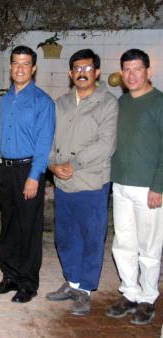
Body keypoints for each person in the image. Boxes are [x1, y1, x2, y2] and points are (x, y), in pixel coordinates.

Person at [46, 49, 118, 315]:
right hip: (63, 185)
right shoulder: (60, 103)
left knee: (91, 238)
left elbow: (105, 144)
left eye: (88, 68)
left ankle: (85, 291)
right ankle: (72, 282)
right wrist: (52, 164)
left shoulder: (108, 103)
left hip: (91, 184)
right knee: (66, 237)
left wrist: (72, 165)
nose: (82, 72)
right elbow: (50, 140)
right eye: (77, 68)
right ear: (70, 73)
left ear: (97, 72)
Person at [0, 46, 55, 303]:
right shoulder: (3, 101)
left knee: (29, 227)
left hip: (28, 170)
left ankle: (28, 283)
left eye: (25, 63)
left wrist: (34, 176)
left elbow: (44, 143)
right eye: (16, 63)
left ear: (34, 68)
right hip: (5, 170)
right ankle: (10, 276)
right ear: (10, 67)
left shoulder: (42, 102)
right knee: (9, 226)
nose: (20, 68)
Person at [106, 49, 163, 325]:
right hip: (121, 184)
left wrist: (159, 185)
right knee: (123, 243)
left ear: (148, 71)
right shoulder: (123, 102)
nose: (131, 75)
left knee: (149, 247)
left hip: (149, 188)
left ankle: (148, 298)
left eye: (137, 69)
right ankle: (129, 292)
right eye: (126, 69)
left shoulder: (159, 102)